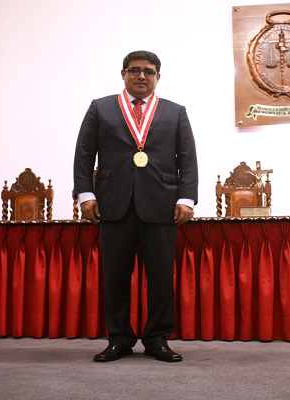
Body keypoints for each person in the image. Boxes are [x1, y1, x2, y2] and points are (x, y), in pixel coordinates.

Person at [73, 50, 198, 362]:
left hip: (162, 205)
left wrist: (186, 198)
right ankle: (119, 339)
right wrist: (86, 195)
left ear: (158, 77)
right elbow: (84, 154)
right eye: (134, 70)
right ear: (123, 74)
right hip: (113, 204)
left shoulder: (175, 111)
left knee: (160, 278)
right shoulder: (101, 107)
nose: (141, 76)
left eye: (149, 71)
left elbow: (187, 158)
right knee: (115, 277)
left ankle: (157, 339)